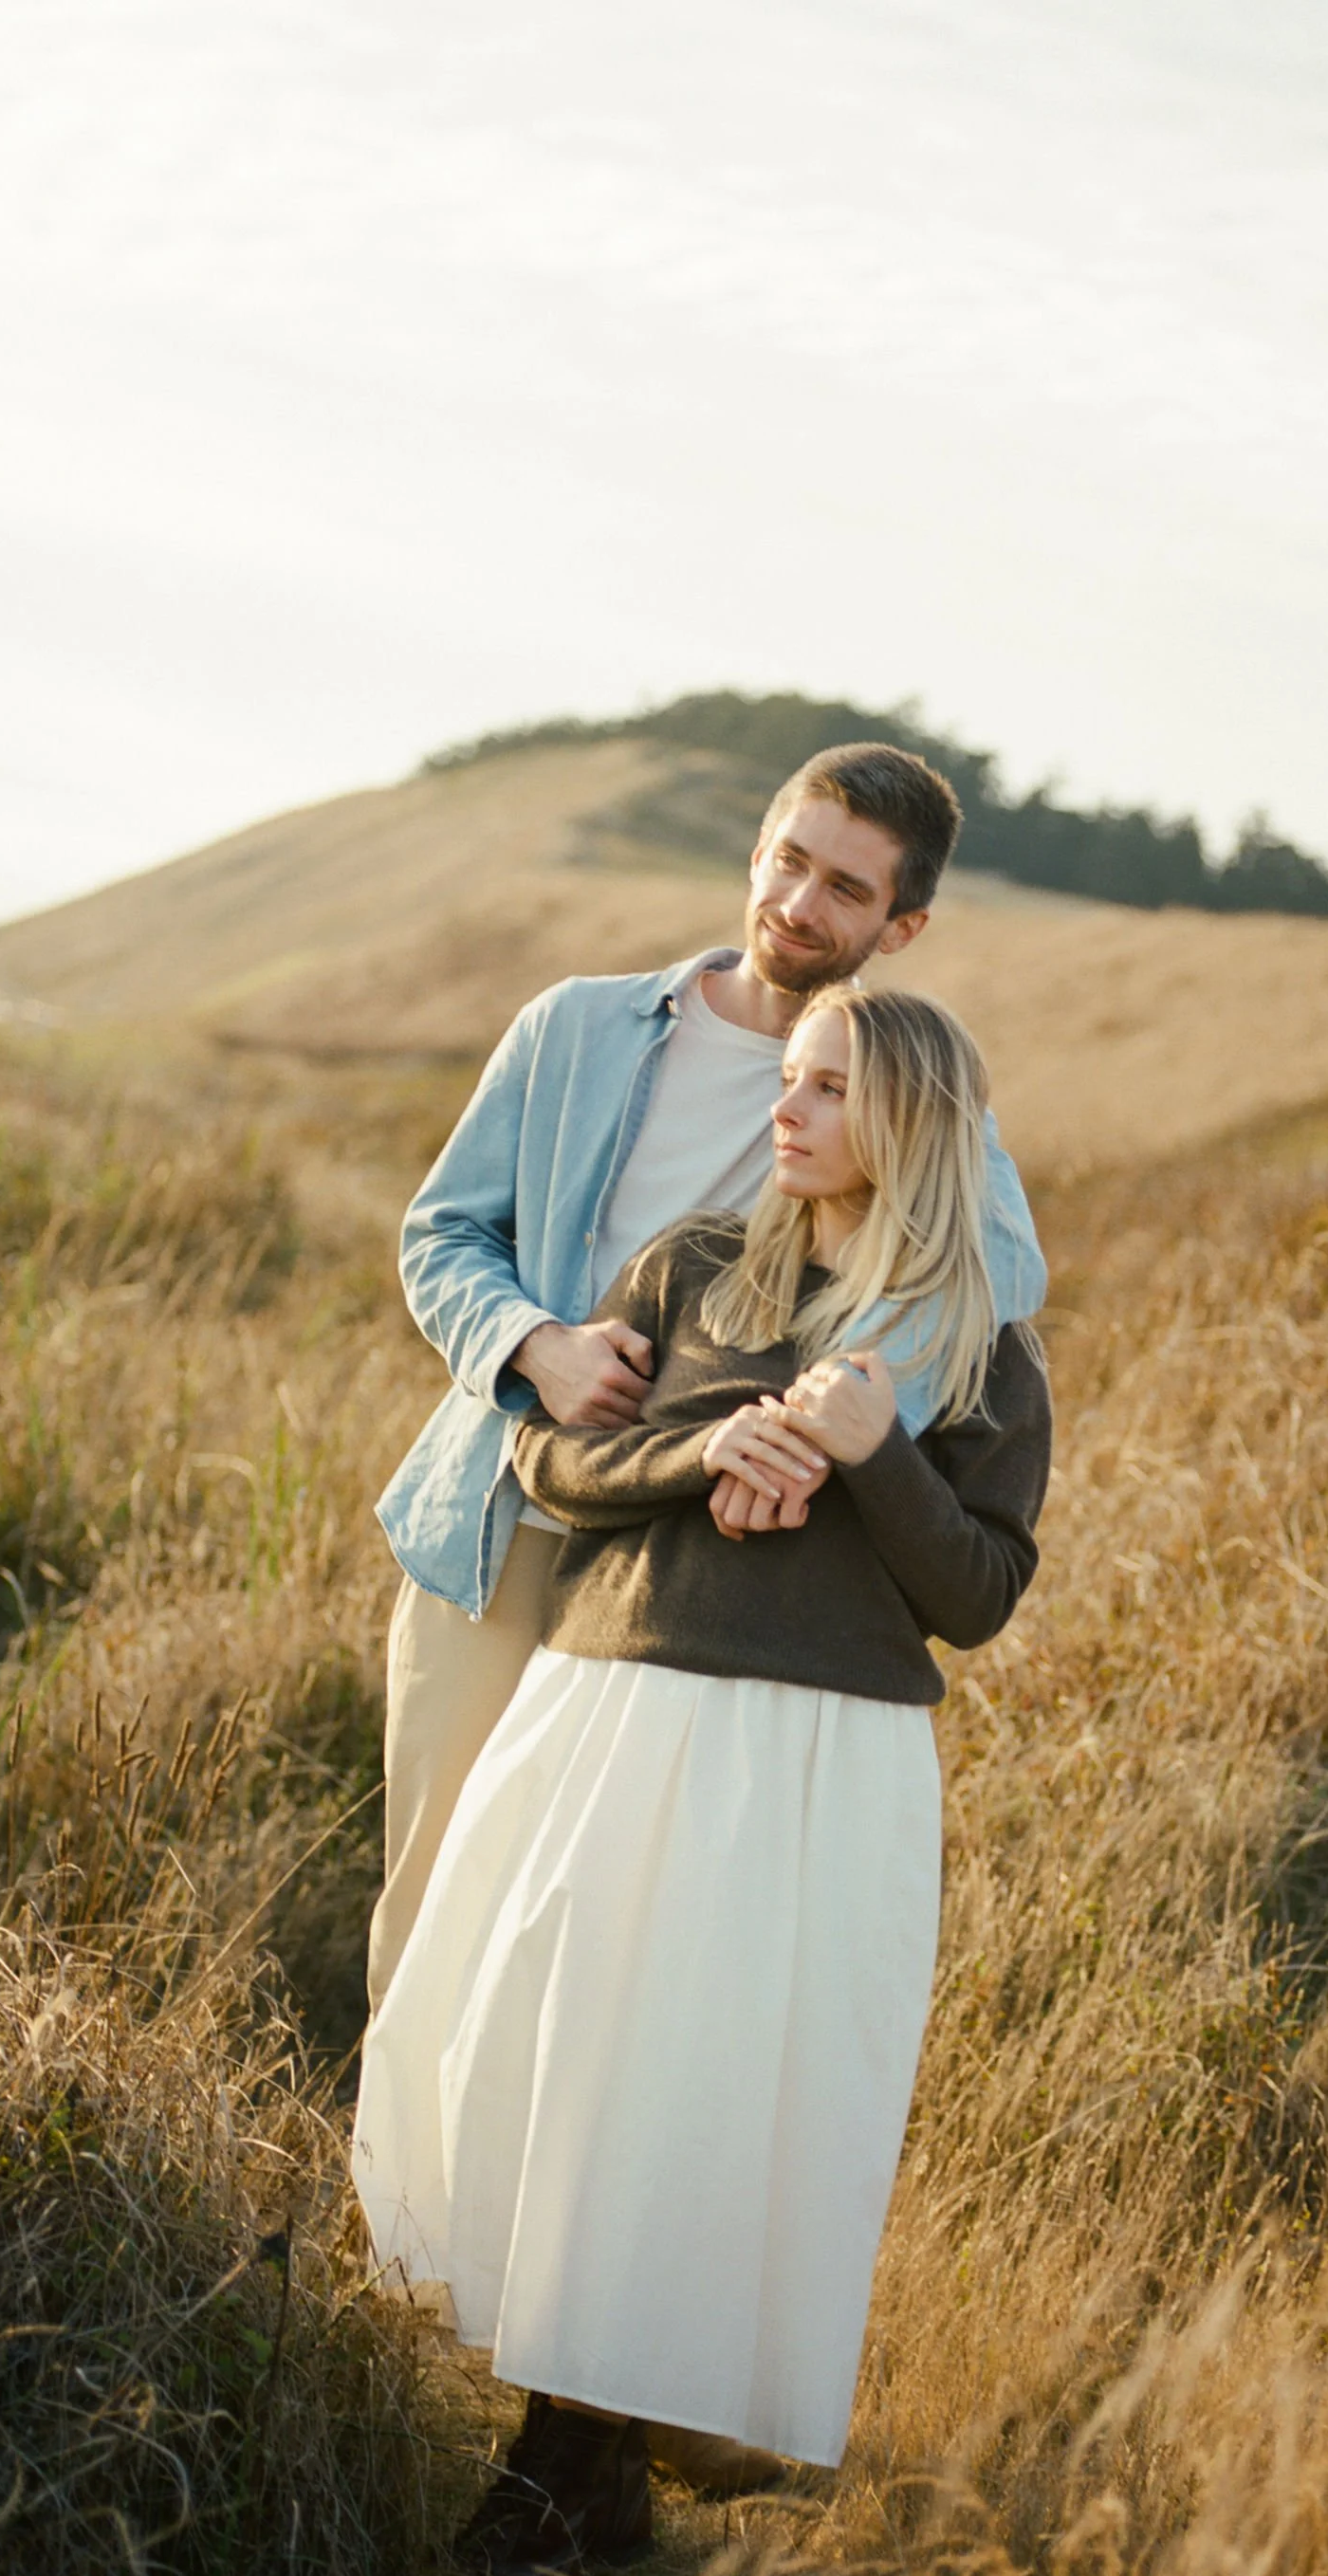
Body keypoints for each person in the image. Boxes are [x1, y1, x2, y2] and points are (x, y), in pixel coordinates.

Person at [353, 981, 1052, 2576]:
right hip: (611, 1706)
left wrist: (870, 1451)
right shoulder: (691, 1274)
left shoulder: (978, 1352)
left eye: (824, 1089)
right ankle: (584, 2475)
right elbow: (547, 1460)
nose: (784, 1111)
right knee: (570, 2056)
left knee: (694, 2096)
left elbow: (981, 1591)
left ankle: (557, 2476)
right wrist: (712, 1447)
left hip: (816, 1755)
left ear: (913, 1124)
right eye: (787, 1079)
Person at [367, 741, 1046, 2012]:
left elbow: (995, 1278)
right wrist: (538, 1347)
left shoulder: (900, 1094)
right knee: (440, 1893)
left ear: (901, 928)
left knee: (598, 1931)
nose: (800, 903)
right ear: (757, 850)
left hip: (691, 1572)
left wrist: (796, 1433)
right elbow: (443, 1232)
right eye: (791, 860)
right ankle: (389, 2209)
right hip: (507, 1524)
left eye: (847, 888)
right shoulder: (578, 1026)